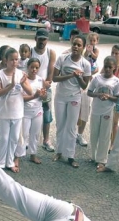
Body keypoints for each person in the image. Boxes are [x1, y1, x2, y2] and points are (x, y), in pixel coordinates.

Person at [53, 35, 92, 168]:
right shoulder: (62, 58)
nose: (75, 47)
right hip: (60, 96)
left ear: (83, 47)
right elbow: (54, 78)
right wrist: (71, 75)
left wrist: (78, 77)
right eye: (74, 44)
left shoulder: (85, 64)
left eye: (78, 45)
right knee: (60, 124)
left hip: (74, 97)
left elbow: (84, 86)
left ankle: (70, 155)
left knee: (71, 127)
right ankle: (59, 151)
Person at [0, 48, 33, 172]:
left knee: (14, 138)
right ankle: (0, 162)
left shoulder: (21, 74)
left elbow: (30, 91)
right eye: (11, 59)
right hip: (4, 112)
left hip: (17, 112)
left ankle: (10, 161)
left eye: (16, 59)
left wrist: (21, 84)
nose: (14, 62)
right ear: (6, 60)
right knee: (4, 138)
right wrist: (10, 86)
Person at [86, 56, 119, 172]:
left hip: (107, 111)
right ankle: (94, 156)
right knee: (94, 133)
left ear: (114, 68)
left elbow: (118, 98)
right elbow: (89, 92)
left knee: (105, 135)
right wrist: (98, 95)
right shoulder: (96, 78)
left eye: (110, 67)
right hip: (96, 109)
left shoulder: (116, 81)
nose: (107, 69)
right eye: (106, 66)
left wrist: (109, 97)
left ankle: (102, 159)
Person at [14, 57, 48, 165]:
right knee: (23, 134)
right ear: (27, 67)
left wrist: (43, 95)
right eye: (32, 67)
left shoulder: (40, 79)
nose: (34, 69)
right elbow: (21, 98)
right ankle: (18, 156)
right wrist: (35, 96)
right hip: (25, 111)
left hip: (37, 111)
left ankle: (33, 154)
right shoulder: (24, 80)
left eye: (36, 67)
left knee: (35, 134)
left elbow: (44, 97)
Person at [30, 28, 56, 153]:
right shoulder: (30, 51)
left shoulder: (50, 52)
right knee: (29, 113)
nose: (42, 42)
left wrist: (45, 86)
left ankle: (46, 140)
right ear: (36, 39)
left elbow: (50, 71)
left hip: (45, 86)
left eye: (44, 39)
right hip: (30, 85)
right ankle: (28, 140)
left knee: (46, 114)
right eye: (40, 39)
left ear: (47, 40)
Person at [77, 32, 101, 147]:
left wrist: (91, 52)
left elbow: (95, 58)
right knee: (76, 108)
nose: (91, 42)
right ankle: (74, 132)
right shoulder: (84, 49)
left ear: (97, 42)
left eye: (93, 41)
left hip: (90, 75)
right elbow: (83, 57)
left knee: (86, 108)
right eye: (90, 40)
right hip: (83, 76)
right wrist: (87, 51)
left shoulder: (96, 50)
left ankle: (80, 134)